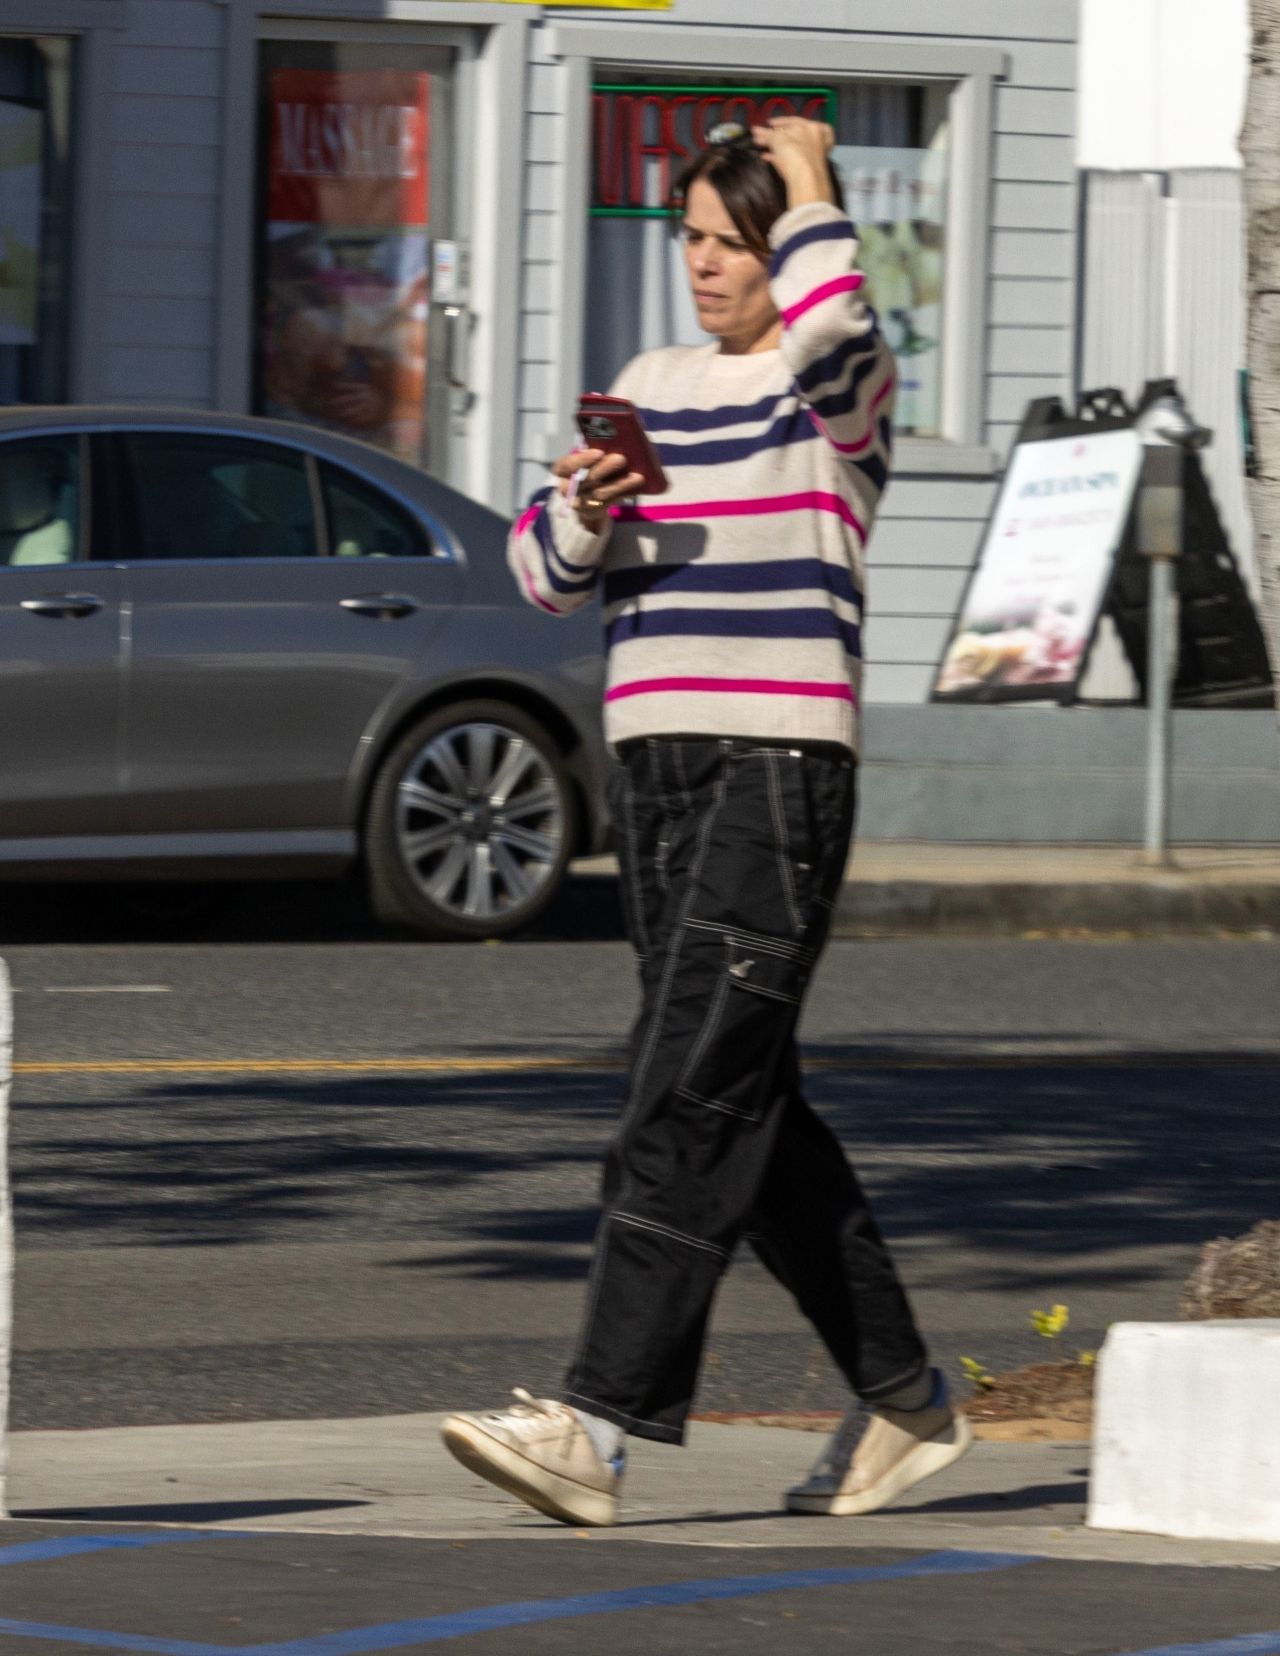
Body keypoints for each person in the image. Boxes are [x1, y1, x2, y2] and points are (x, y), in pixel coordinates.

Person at [440, 117, 970, 1527]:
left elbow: (839, 331)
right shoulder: (650, 384)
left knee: (680, 1090)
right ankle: (908, 1402)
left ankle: (596, 1426)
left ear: (789, 247)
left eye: (734, 242)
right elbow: (545, 578)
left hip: (775, 768)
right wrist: (584, 508)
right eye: (691, 238)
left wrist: (807, 181)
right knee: (745, 1102)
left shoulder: (835, 392)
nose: (706, 266)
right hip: (658, 774)